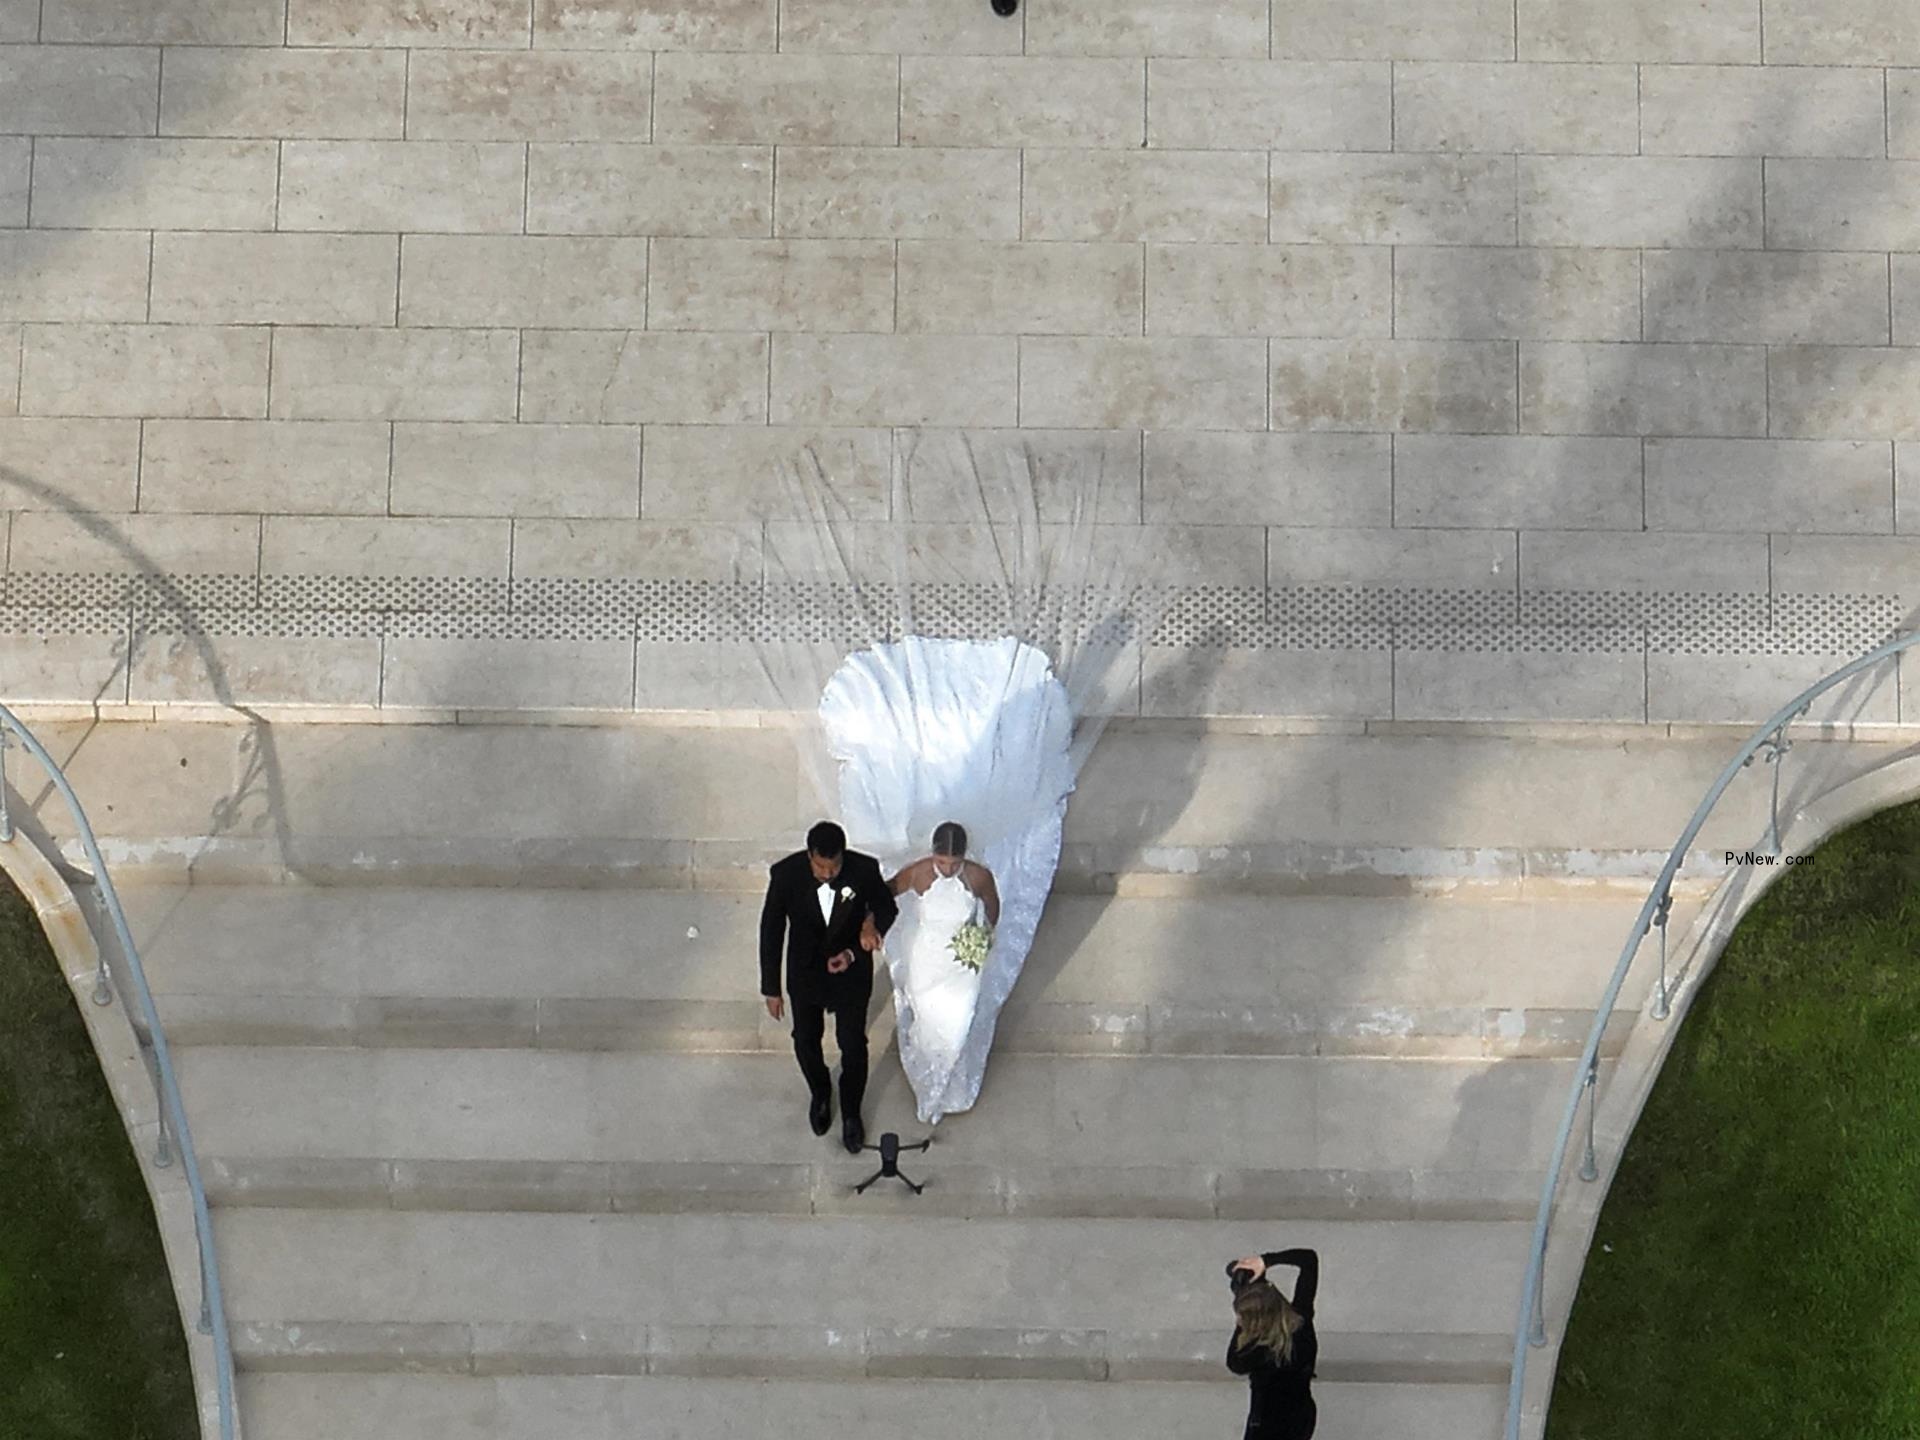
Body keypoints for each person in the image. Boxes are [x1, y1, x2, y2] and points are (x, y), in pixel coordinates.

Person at [759, 820, 898, 1153]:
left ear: (843, 856)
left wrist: (869, 927)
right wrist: (771, 988)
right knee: (805, 1040)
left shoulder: (864, 870)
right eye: (821, 866)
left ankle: (851, 1111)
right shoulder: (785, 875)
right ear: (810, 856)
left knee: (852, 1044)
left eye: (834, 866)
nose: (827, 873)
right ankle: (821, 1093)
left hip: (850, 973)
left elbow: (886, 906)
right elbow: (772, 930)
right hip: (805, 973)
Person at [865, 822, 1002, 1119]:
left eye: (955, 863)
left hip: (960, 964)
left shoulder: (979, 876)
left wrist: (983, 934)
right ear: (933, 854)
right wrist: (869, 922)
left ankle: (945, 1082)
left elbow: (992, 904)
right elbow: (885, 893)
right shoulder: (919, 872)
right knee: (929, 1020)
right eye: (942, 862)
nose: (949, 869)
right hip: (926, 958)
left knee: (958, 1019)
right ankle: (929, 1082)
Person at [1225, 1249, 1320, 1439]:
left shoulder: (1253, 1352)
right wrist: (1265, 1261)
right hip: (1302, 1414)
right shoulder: (1301, 1319)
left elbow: (1233, 1364)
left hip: (1267, 1427)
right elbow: (1309, 1259)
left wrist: (1242, 1327)